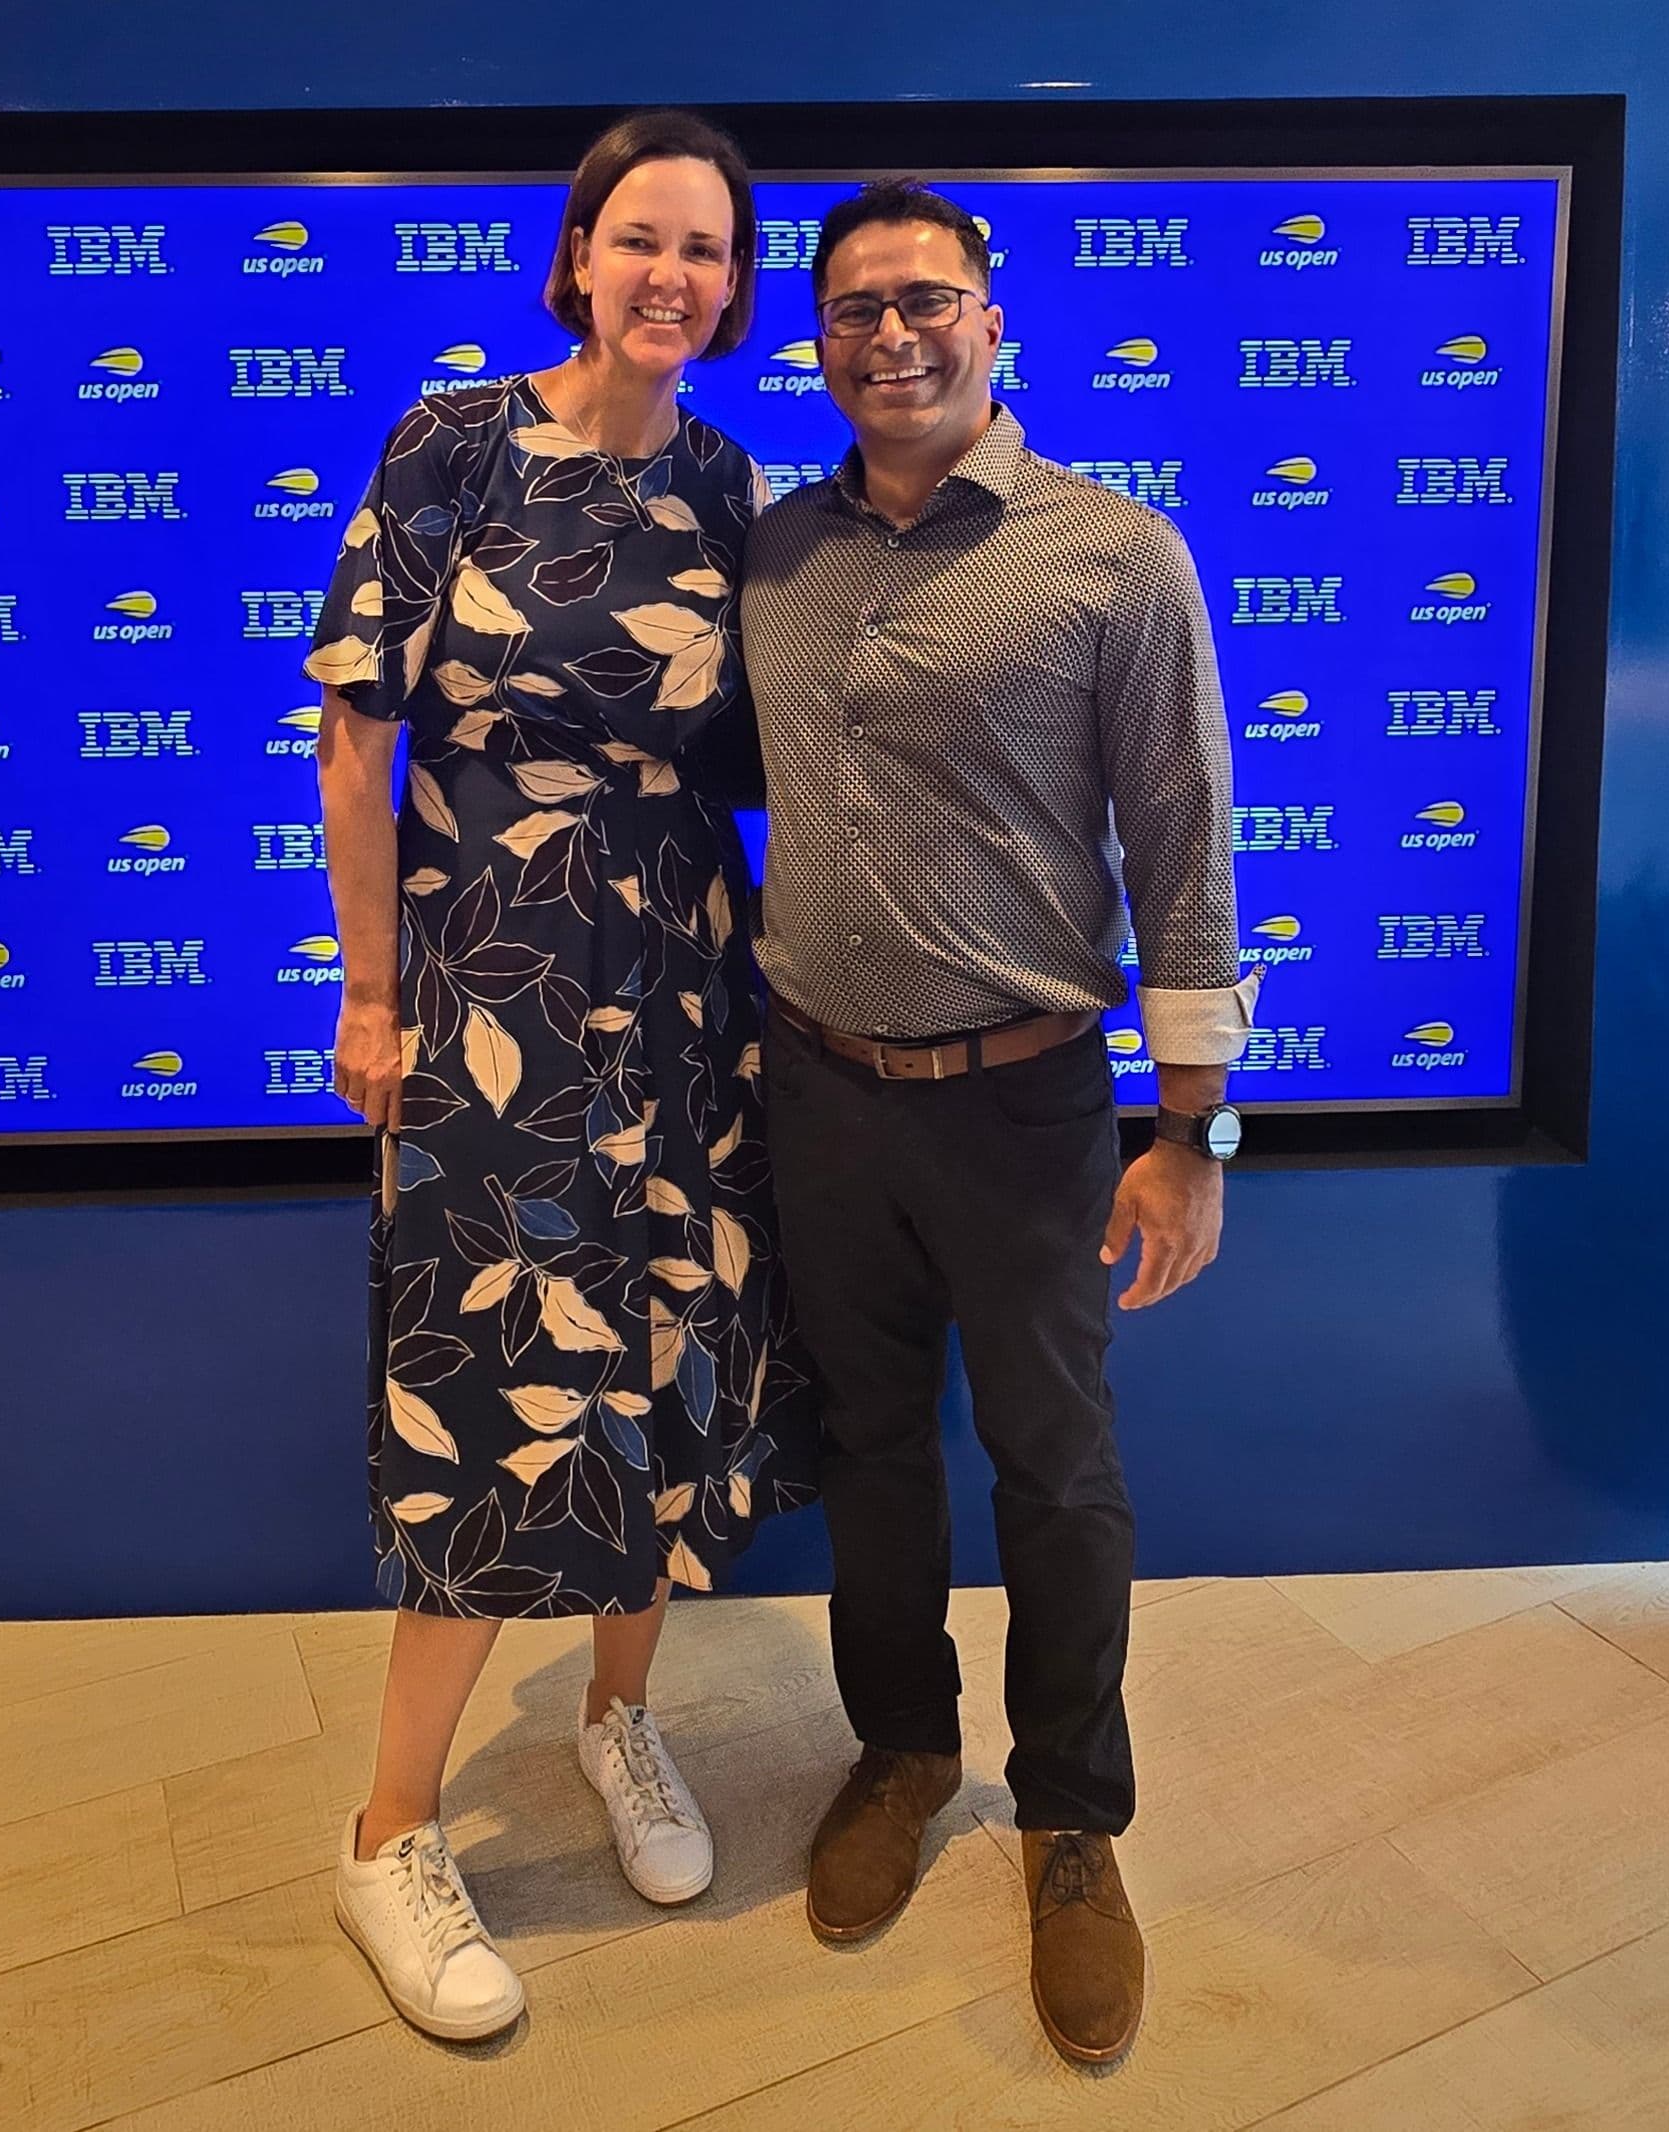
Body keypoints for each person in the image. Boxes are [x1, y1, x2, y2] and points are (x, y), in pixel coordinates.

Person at [305, 111, 815, 2043]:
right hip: (491, 988)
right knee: (483, 1377)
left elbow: (750, 747)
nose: (671, 277)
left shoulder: (719, 471)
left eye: (706, 250)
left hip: (681, 982)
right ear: (577, 255)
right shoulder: (449, 444)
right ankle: (388, 1833)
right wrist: (373, 995)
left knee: (664, 1346)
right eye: (640, 241)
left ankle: (620, 1722)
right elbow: (358, 740)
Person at [741, 179, 1259, 2069]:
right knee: (874, 1448)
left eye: (929, 298)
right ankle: (901, 1749)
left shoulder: (1114, 559)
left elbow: (1186, 846)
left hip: (1030, 1099)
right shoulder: (771, 551)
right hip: (817, 1091)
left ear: (993, 320)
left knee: (1056, 1469)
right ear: (817, 335)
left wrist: (1192, 1127)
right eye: (858, 303)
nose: (894, 333)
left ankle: (1071, 1822)